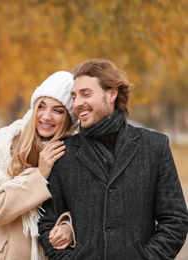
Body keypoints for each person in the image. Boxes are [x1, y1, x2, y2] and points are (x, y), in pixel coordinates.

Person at [38, 58, 188, 259]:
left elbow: (175, 220)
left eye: (86, 94)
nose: (78, 103)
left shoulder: (154, 146)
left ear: (112, 93)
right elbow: (47, 222)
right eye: (74, 96)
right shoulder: (63, 153)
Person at [0, 71, 79, 260]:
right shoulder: (4, 143)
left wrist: (68, 225)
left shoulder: (74, 153)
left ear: (69, 118)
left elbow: (84, 208)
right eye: (41, 106)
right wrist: (39, 176)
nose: (46, 116)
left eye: (58, 110)